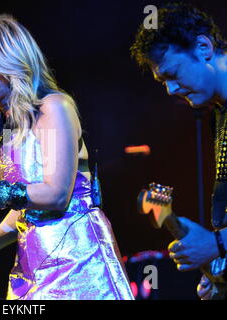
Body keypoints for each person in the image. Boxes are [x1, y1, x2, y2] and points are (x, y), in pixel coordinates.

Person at [0, 14, 133, 300]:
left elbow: (55, 195)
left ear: (11, 62)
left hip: (79, 262)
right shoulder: (6, 124)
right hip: (32, 267)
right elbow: (24, 206)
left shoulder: (56, 106)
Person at [130, 3, 227, 299]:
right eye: (163, 82)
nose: (171, 90)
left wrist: (218, 245)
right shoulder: (218, 113)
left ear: (203, 47)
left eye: (173, 74)